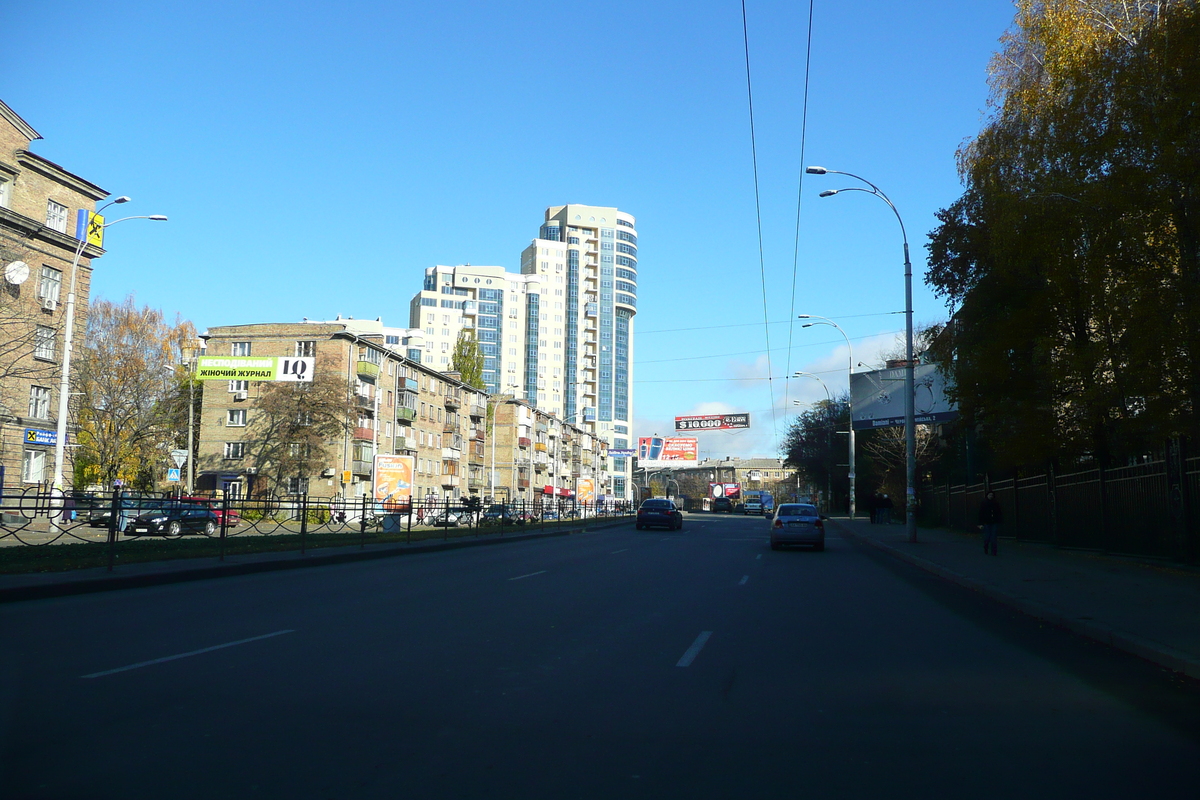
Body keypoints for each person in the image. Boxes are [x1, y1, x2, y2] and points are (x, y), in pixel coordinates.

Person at [978, 490, 1003, 555]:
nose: (991, 496)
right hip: (987, 522)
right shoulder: (984, 503)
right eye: (990, 495)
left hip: (994, 522)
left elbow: (999, 512)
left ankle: (994, 551)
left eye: (992, 495)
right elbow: (981, 513)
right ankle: (986, 546)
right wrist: (980, 523)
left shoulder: (995, 503)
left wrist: (999, 520)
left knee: (993, 537)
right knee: (987, 537)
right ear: (987, 496)